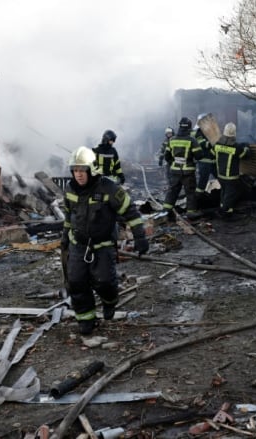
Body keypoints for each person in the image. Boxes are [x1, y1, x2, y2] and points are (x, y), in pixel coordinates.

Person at [61, 146, 149, 335]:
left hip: (102, 246)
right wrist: (64, 239)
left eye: (82, 170)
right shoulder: (69, 190)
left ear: (92, 169)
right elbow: (69, 217)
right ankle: (86, 319)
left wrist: (140, 237)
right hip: (78, 245)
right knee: (76, 282)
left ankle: (110, 301)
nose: (79, 175)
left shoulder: (109, 188)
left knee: (104, 282)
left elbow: (130, 211)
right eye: (75, 170)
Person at [162, 117, 203, 219]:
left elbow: (167, 156)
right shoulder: (192, 140)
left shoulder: (172, 140)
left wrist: (174, 162)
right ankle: (191, 212)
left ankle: (166, 211)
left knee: (172, 191)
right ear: (189, 127)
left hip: (175, 171)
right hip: (188, 173)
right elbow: (199, 155)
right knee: (190, 192)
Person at [213, 122, 249, 219]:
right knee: (230, 195)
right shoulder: (236, 147)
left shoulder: (217, 144)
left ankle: (228, 212)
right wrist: (246, 147)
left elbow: (212, 152)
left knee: (224, 192)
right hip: (231, 177)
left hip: (220, 175)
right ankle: (224, 212)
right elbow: (244, 155)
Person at [194, 126, 217, 196]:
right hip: (204, 162)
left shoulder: (210, 132)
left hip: (213, 162)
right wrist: (214, 142)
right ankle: (198, 197)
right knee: (203, 181)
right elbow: (204, 145)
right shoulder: (198, 134)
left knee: (221, 178)